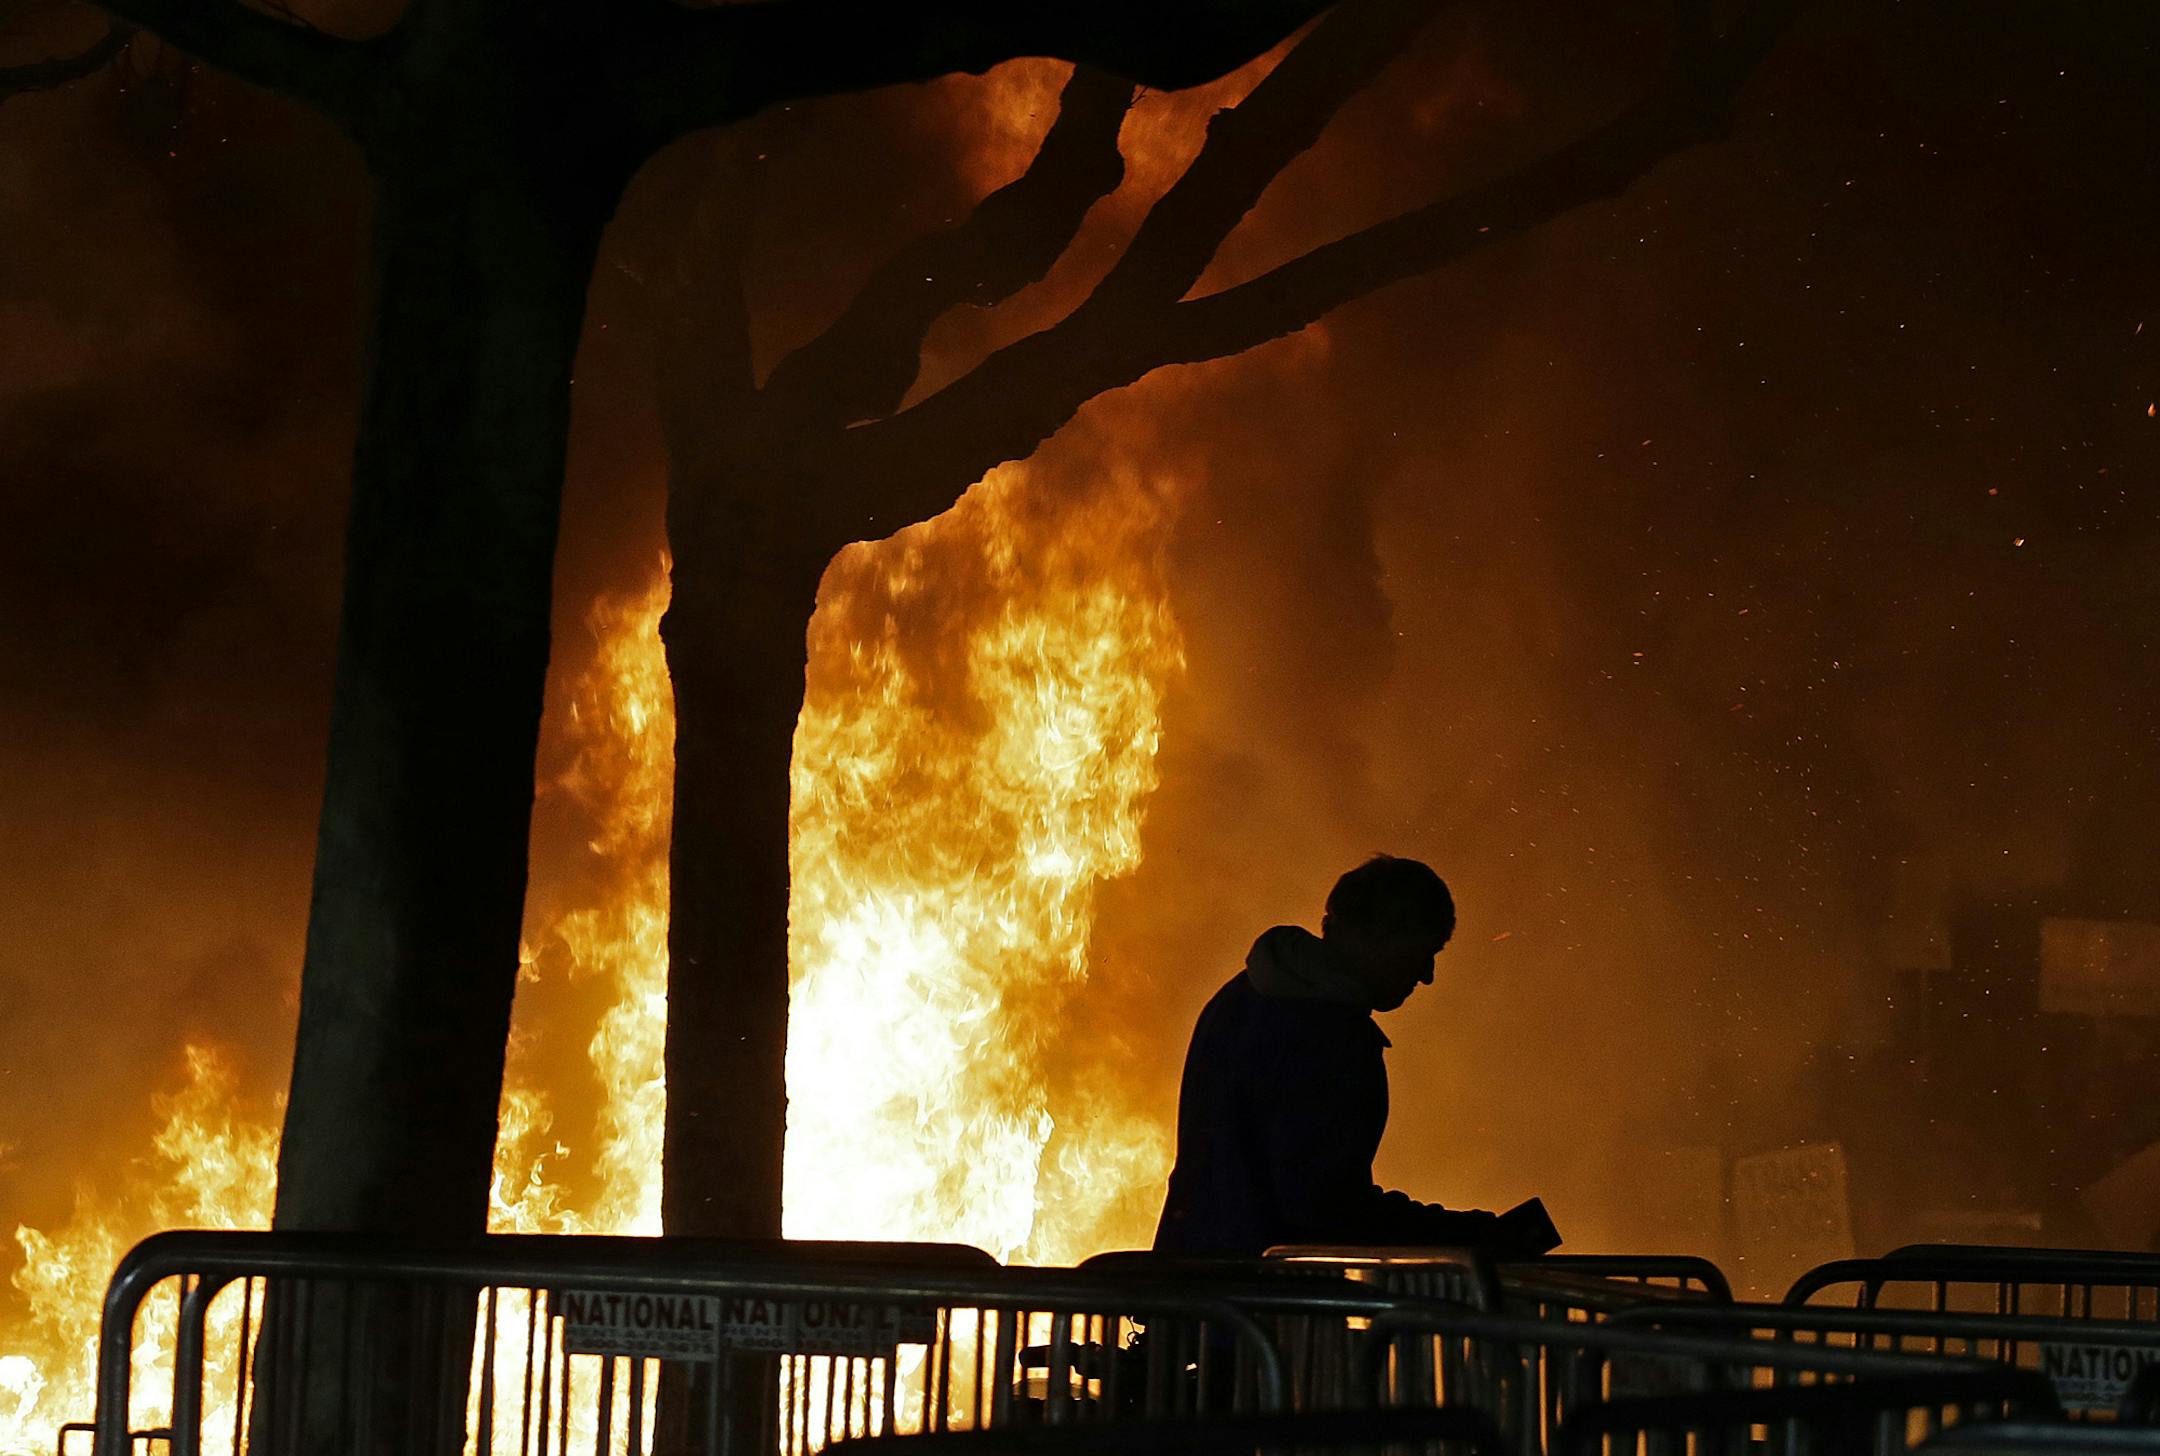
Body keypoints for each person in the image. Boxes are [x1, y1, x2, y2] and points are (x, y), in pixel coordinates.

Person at [1153, 854, 1557, 1258]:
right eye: (1424, 952)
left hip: (1189, 1275)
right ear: (1384, 934)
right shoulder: (1331, 1035)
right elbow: (1325, 1207)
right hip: (1262, 1287)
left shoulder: (1242, 997)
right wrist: (1474, 1238)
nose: (1427, 975)